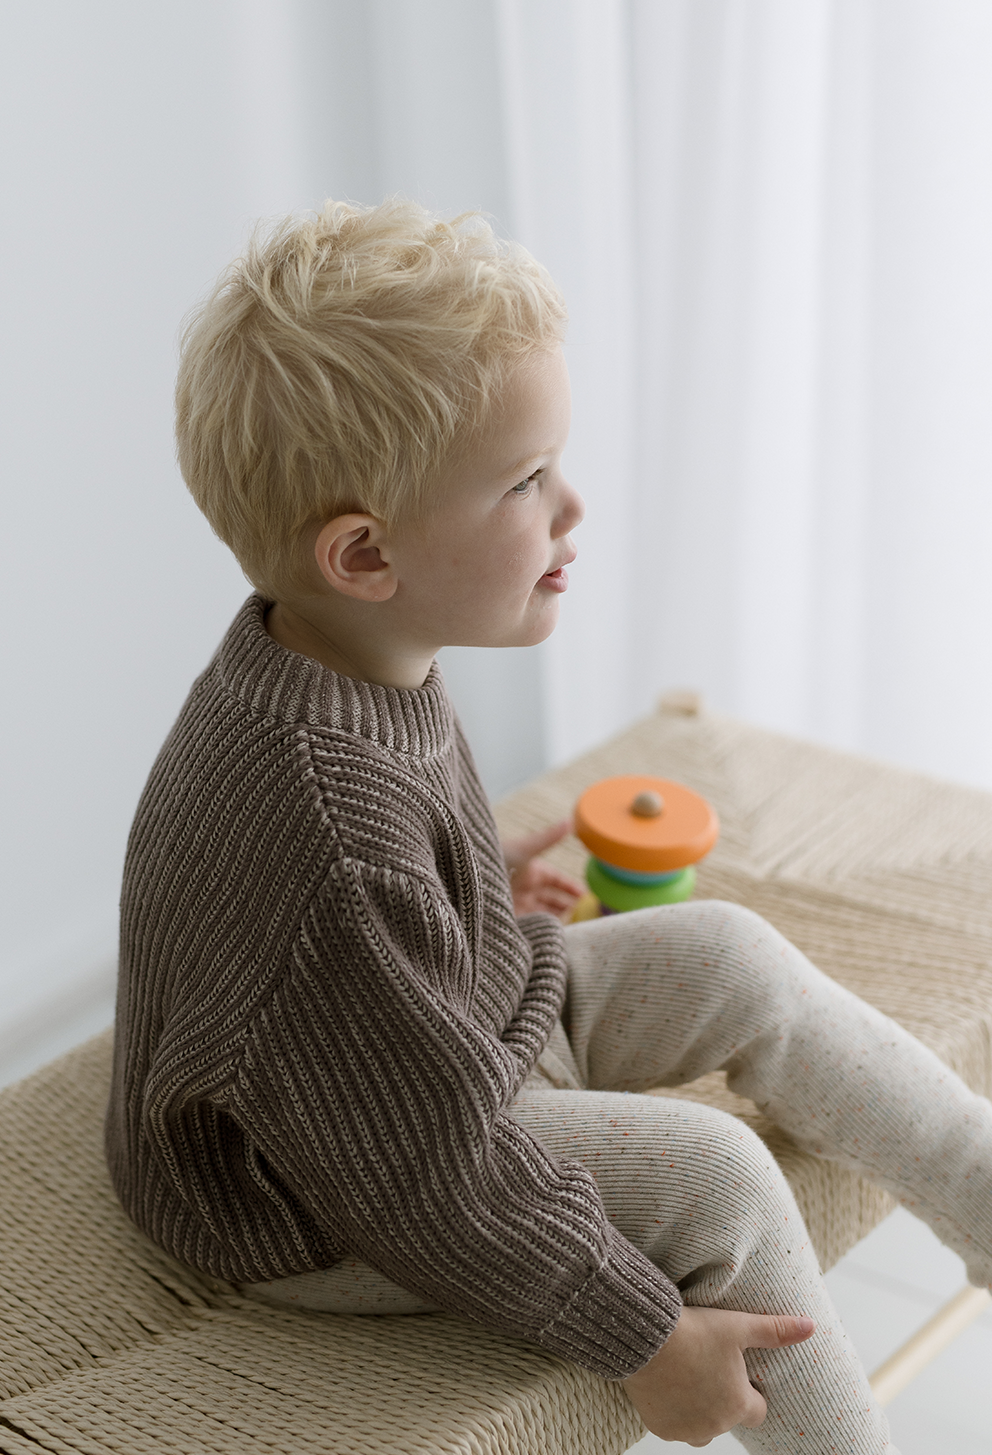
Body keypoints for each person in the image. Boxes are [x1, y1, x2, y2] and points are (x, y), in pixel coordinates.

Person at [105, 199, 992, 1452]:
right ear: (366, 557)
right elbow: (426, 1168)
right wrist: (645, 1336)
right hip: (317, 1188)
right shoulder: (330, 828)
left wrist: (461, 904)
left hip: (419, 1051)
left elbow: (362, 919)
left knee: (728, 949)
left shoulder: (340, 654)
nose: (572, 506)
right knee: (715, 1174)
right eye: (526, 482)